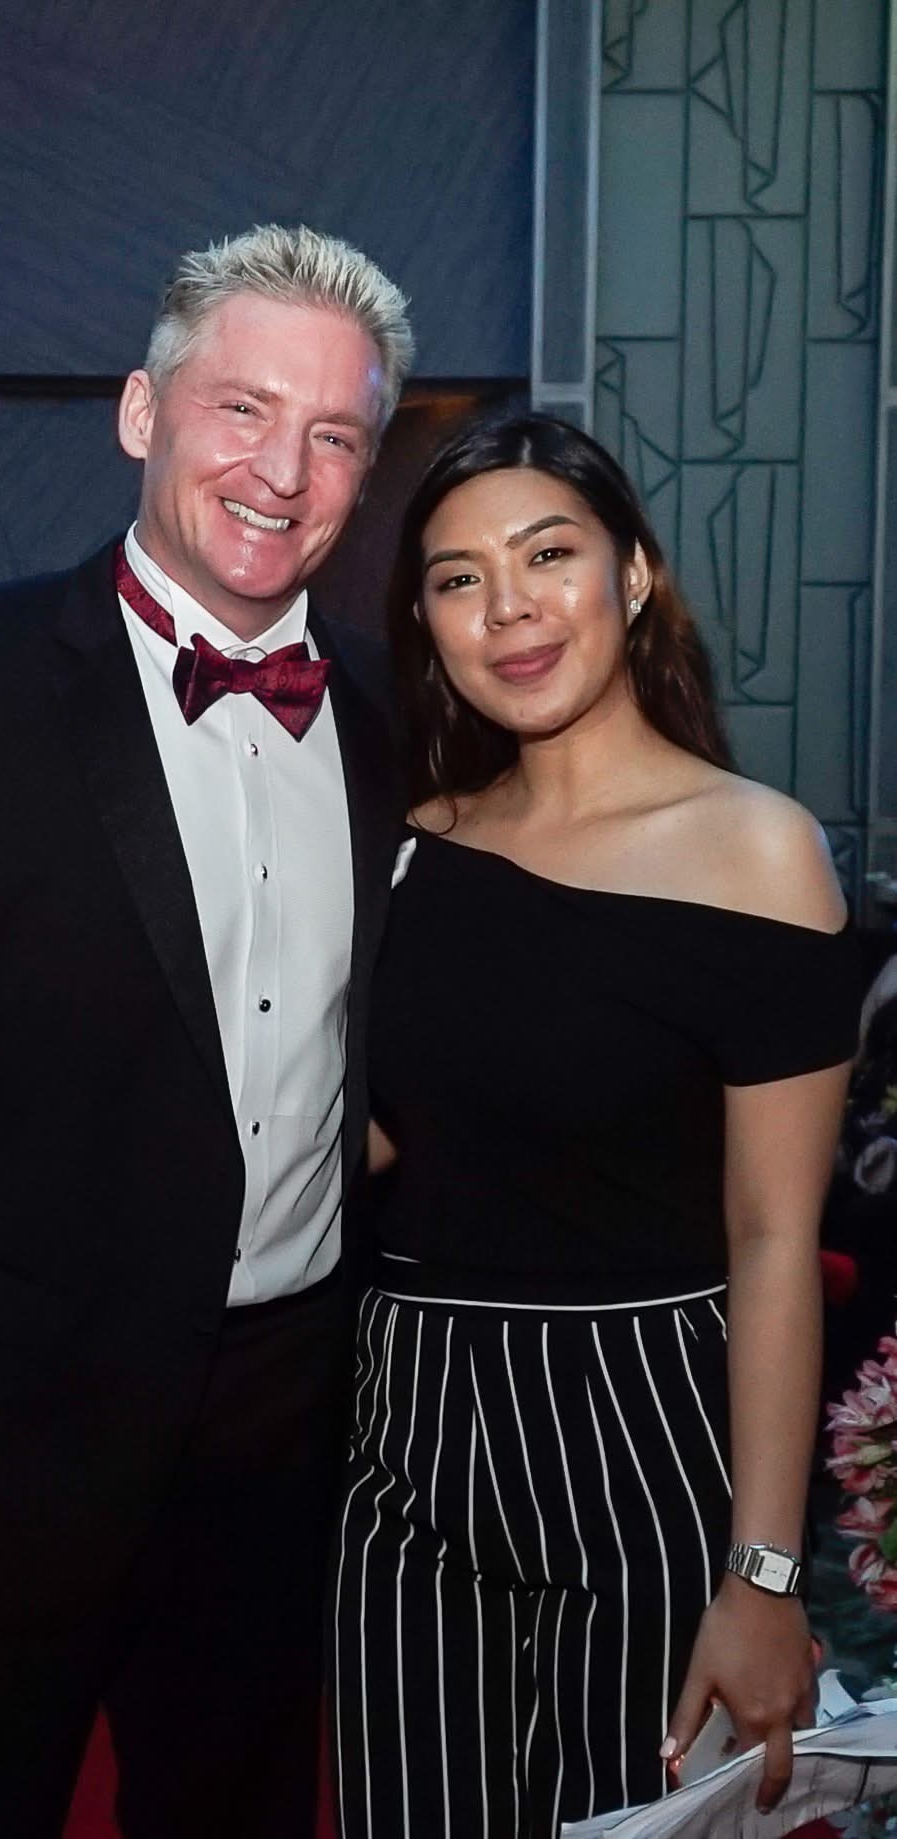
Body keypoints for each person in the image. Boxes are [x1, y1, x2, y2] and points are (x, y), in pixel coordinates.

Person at [0, 223, 412, 1839]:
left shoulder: (395, 716)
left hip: (287, 1441)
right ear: (143, 412)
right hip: (3, 1452)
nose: (284, 471)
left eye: (334, 434)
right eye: (242, 409)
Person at [334, 414, 857, 1839]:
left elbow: (775, 1236)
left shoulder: (759, 849)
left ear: (633, 577)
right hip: (402, 1432)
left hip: (643, 1434)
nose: (507, 607)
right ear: (425, 623)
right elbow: (382, 1141)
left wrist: (763, 1573)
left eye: (547, 555)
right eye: (457, 578)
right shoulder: (411, 849)